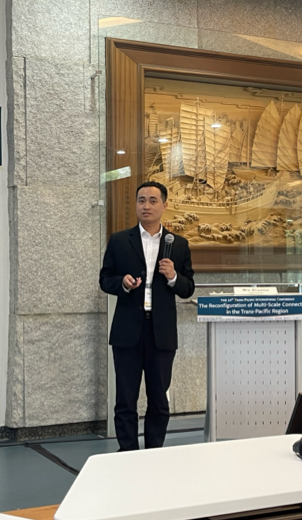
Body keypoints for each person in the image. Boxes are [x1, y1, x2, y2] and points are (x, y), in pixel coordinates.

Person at [99, 181, 195, 451]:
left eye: (153, 201)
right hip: (128, 331)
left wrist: (173, 276)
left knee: (159, 400)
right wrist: (122, 283)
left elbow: (188, 288)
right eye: (141, 200)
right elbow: (105, 279)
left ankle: (154, 453)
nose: (146, 206)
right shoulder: (120, 240)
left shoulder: (178, 244)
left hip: (161, 333)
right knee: (125, 399)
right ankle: (127, 452)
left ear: (164, 205)